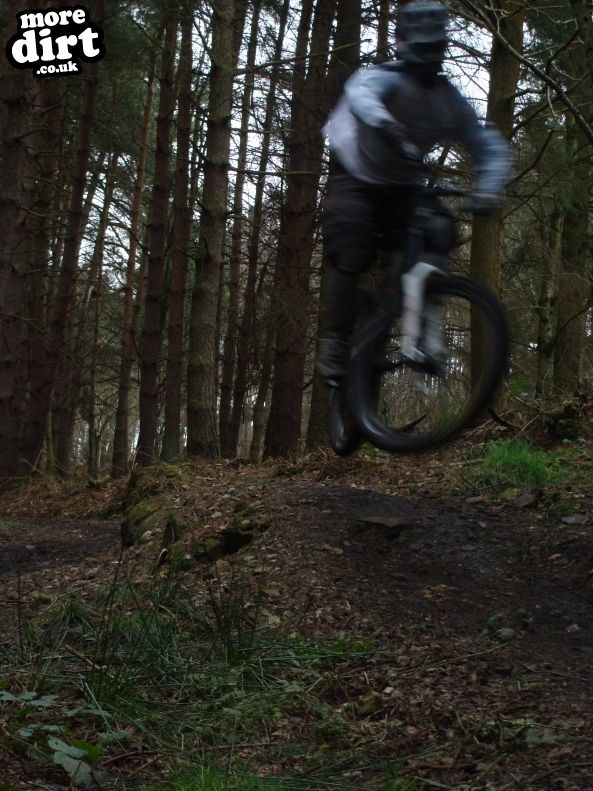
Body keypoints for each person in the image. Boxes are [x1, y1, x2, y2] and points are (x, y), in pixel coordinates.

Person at [316, 0, 513, 380]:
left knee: (438, 231)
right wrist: (391, 129)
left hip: (403, 184)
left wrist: (488, 188)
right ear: (404, 46)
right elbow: (361, 96)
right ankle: (336, 340)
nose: (427, 61)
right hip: (356, 175)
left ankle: (420, 323)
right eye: (420, 50)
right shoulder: (383, 77)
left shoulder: (447, 99)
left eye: (434, 51)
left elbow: (486, 145)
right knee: (351, 247)